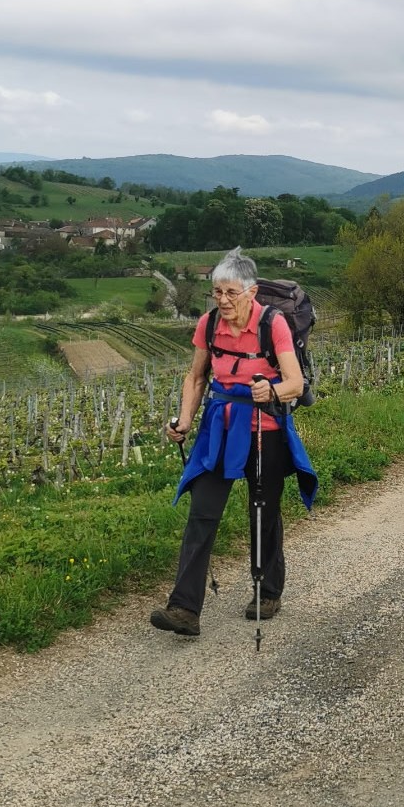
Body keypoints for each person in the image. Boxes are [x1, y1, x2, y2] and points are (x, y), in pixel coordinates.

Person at [150, 247, 317, 637]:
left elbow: (295, 382)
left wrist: (272, 391)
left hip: (264, 428)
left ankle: (268, 592)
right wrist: (184, 420)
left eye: (231, 293)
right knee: (202, 512)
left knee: (263, 512)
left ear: (251, 292)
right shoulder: (209, 324)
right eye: (217, 292)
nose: (222, 301)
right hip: (220, 427)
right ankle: (184, 608)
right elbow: (196, 377)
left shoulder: (273, 324)